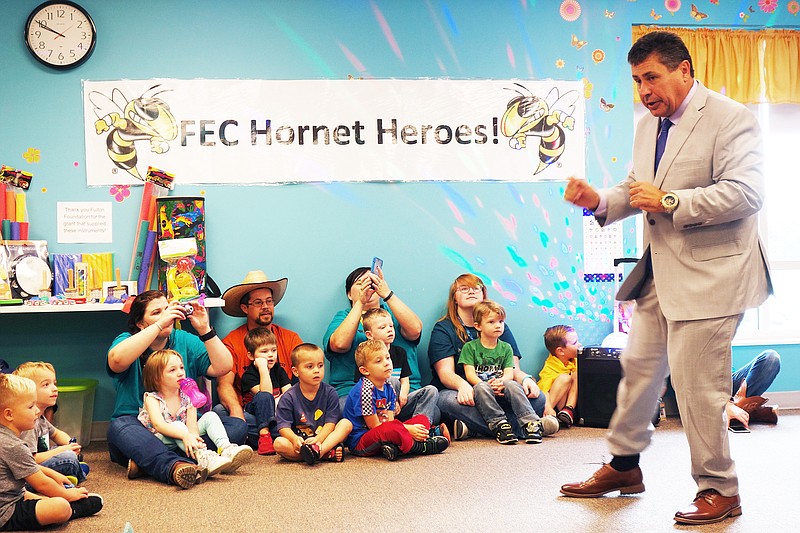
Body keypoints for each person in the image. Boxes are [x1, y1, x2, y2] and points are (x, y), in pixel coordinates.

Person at [561, 31, 771, 526]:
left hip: (715, 275)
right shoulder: (646, 126)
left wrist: (673, 201)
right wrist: (598, 200)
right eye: (636, 81)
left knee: (698, 387)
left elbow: (745, 193)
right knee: (637, 371)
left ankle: (720, 489)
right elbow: (638, 189)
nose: (644, 91)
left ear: (684, 70)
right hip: (661, 273)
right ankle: (625, 466)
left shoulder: (731, 118)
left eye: (651, 77)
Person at [106, 290, 247, 490]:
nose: (165, 315)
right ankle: (175, 465)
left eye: (167, 309)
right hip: (140, 427)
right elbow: (117, 360)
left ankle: (148, 462)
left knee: (237, 426)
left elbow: (223, 367)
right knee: (119, 428)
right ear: (140, 323)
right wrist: (158, 326)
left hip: (185, 427)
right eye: (156, 312)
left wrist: (205, 329)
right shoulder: (127, 339)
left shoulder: (183, 339)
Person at [428, 273, 558, 441]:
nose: (471, 292)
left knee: (537, 397)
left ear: (483, 294)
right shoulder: (444, 329)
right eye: (464, 289)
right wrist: (463, 385)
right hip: (466, 392)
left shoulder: (499, 326)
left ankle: (477, 429)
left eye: (476, 288)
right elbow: (445, 373)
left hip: (501, 390)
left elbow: (513, 368)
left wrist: (526, 379)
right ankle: (529, 427)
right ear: (454, 298)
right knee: (445, 401)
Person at [324, 266, 434, 423]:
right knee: (343, 411)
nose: (368, 286)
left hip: (404, 394)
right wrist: (359, 304)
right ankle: (405, 431)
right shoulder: (343, 317)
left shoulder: (390, 314)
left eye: (371, 282)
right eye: (360, 283)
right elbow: (339, 344)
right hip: (357, 394)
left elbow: (415, 330)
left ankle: (412, 432)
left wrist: (387, 294)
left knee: (434, 408)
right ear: (349, 294)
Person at [0, 374, 103, 531]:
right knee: (59, 506)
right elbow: (41, 483)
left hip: (14, 495)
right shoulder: (13, 446)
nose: (36, 411)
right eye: (30, 407)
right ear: (9, 414)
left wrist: (54, 476)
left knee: (47, 496)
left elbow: (30, 468)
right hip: (6, 511)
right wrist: (67, 496)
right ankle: (72, 509)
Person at [215, 271, 303, 448]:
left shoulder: (290, 338)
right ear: (245, 308)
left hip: (284, 409)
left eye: (269, 301)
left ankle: (270, 434)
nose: (266, 306)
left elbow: (305, 379)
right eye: (258, 302)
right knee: (219, 412)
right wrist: (237, 415)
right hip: (250, 412)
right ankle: (278, 434)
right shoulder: (231, 342)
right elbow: (224, 384)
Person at [138, 349, 252, 479]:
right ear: (156, 378)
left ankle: (226, 449)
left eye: (181, 367)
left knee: (210, 416)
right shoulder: (152, 398)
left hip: (184, 437)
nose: (180, 373)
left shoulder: (187, 395)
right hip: (160, 439)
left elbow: (192, 428)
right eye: (172, 370)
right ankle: (203, 457)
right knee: (178, 425)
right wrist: (184, 435)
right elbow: (159, 425)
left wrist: (193, 438)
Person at [343, 340, 449, 461]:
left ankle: (398, 447)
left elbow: (390, 420)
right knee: (391, 430)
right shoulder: (365, 391)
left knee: (422, 419)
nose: (387, 363)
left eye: (388, 358)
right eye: (379, 361)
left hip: (384, 434)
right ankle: (421, 446)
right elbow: (374, 426)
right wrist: (407, 429)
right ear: (365, 370)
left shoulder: (388, 386)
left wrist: (407, 428)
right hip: (362, 440)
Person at [458, 301, 543, 445]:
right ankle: (500, 424)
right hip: (484, 393)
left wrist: (502, 382)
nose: (498, 325)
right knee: (480, 387)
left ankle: (531, 423)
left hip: (502, 389)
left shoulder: (506, 348)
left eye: (501, 321)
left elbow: (509, 372)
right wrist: (485, 385)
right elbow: (470, 374)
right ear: (478, 326)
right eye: (491, 322)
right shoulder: (470, 347)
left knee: (513, 384)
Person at [359, 308, 442, 431]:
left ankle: (420, 428)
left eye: (391, 326)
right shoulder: (365, 356)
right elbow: (364, 389)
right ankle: (406, 431)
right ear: (369, 335)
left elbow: (405, 380)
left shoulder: (400, 352)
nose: (389, 330)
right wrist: (391, 403)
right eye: (383, 327)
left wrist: (403, 394)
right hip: (379, 406)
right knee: (389, 379)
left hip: (401, 402)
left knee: (431, 391)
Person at [273, 344, 352, 465]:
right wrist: (294, 439)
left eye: (320, 366)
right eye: (310, 367)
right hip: (301, 443)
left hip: (324, 439)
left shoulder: (330, 393)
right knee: (279, 443)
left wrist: (319, 440)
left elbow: (330, 424)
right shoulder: (288, 397)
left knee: (346, 424)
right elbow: (284, 427)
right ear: (295, 371)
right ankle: (322, 455)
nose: (316, 370)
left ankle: (319, 452)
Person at [13, 362, 89, 486]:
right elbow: (32, 460)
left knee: (65, 454)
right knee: (68, 459)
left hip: (40, 461)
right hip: (29, 472)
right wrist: (64, 450)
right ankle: (70, 477)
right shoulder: (28, 425)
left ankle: (70, 473)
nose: (54, 388)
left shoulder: (40, 418)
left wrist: (70, 443)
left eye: (54, 383)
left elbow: (56, 433)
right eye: (46, 385)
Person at [240, 327, 292, 454]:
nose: (270, 355)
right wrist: (263, 368)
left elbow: (289, 394)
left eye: (274, 350)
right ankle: (264, 435)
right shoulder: (248, 375)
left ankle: (274, 432)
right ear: (251, 356)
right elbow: (266, 394)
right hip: (255, 413)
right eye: (264, 351)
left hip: (275, 413)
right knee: (263, 397)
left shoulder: (278, 370)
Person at [537, 325, 581, 428]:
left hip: (571, 406)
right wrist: (548, 407)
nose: (579, 345)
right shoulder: (551, 366)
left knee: (577, 374)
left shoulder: (576, 361)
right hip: (554, 406)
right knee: (565, 378)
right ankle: (547, 418)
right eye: (575, 343)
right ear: (560, 351)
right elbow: (544, 390)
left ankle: (568, 410)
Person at [726, 349, 781, 429]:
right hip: (705, 388)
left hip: (727, 380)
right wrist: (726, 404)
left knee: (771, 358)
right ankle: (749, 412)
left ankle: (735, 411)